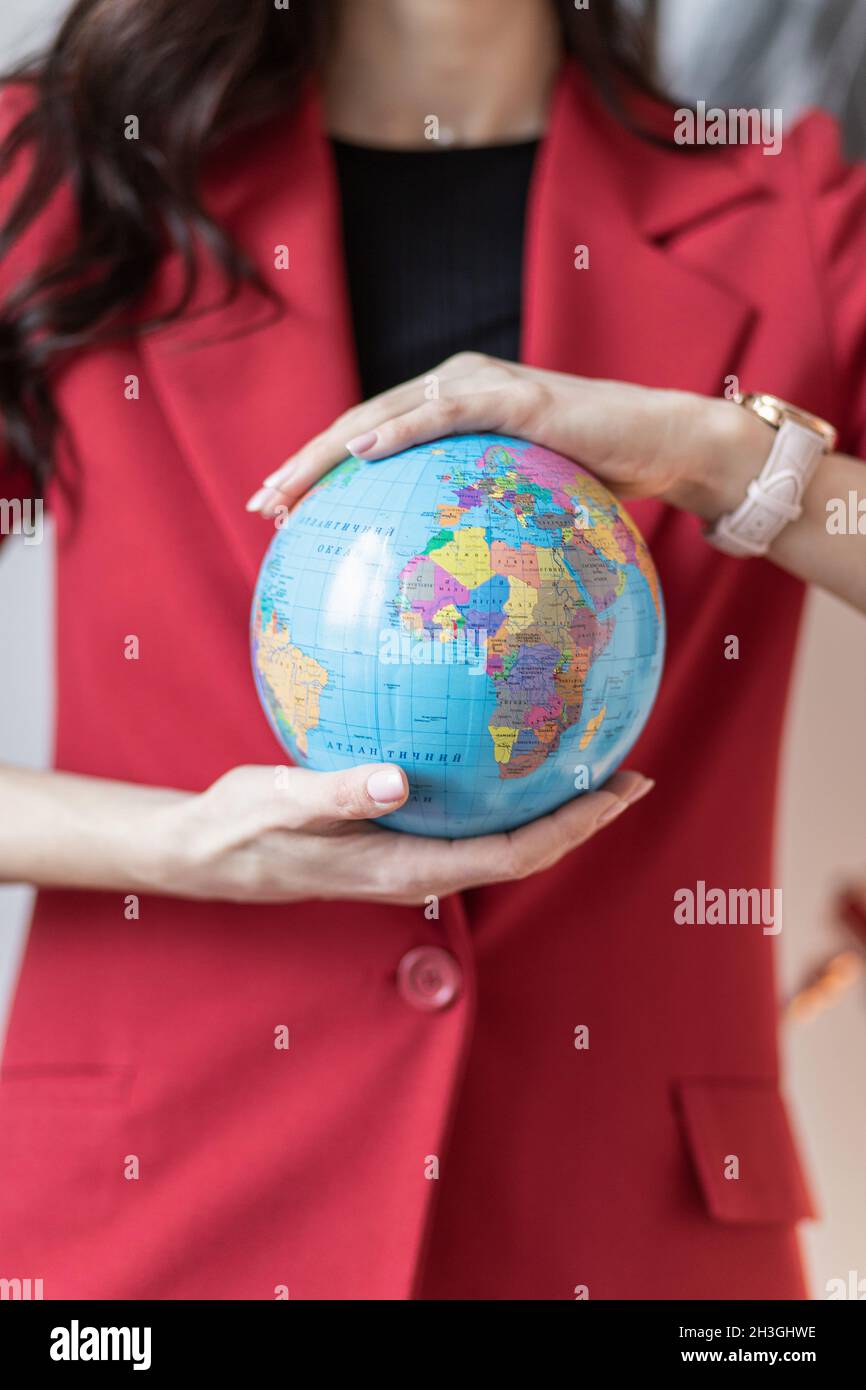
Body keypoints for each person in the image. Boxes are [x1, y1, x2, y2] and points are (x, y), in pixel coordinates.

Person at [0, 0, 863, 1301]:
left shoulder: (781, 201)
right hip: (150, 1220)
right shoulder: (67, 175)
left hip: (628, 1228)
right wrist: (172, 846)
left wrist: (731, 460)